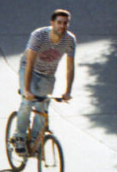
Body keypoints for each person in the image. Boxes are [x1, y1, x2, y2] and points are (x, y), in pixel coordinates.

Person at [13, 9, 76, 155]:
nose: (62, 26)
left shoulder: (70, 40)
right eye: (59, 22)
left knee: (43, 107)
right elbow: (29, 63)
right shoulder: (39, 35)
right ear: (52, 23)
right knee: (27, 103)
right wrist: (27, 90)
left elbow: (70, 67)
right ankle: (19, 137)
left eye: (65, 23)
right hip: (29, 69)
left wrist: (68, 91)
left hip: (48, 74)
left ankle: (35, 140)